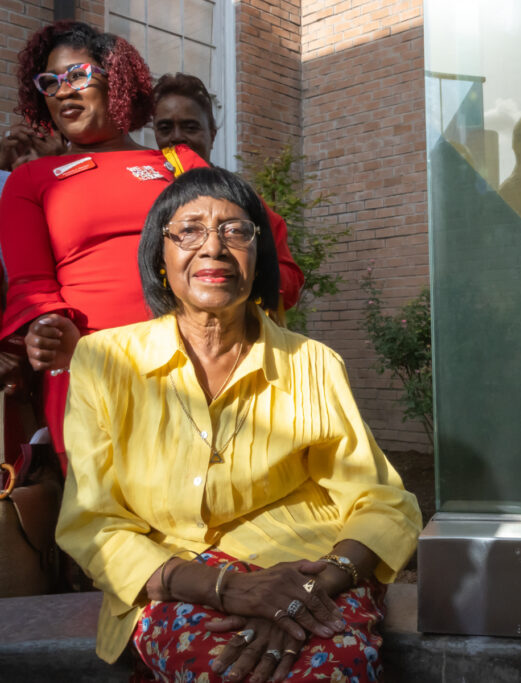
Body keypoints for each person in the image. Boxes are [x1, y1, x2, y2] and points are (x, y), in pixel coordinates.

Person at [56, 166, 422, 682]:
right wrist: (230, 590)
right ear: (159, 258)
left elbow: (383, 501)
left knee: (331, 668)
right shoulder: (105, 360)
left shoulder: (312, 362)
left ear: (258, 258)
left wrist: (313, 589)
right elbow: (91, 521)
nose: (214, 247)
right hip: (179, 580)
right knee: (223, 671)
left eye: (236, 230)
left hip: (310, 573)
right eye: (189, 230)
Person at [0, 22, 298, 466]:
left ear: (117, 81)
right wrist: (45, 325)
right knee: (107, 522)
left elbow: (268, 243)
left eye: (78, 75)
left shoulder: (176, 162)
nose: (63, 92)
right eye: (51, 82)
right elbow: (31, 283)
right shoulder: (31, 179)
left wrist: (249, 308)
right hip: (91, 368)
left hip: (197, 366)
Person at [152, 72, 304, 309]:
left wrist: (240, 273)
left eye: (190, 127)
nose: (177, 137)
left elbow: (290, 284)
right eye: (165, 128)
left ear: (212, 135)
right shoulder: (144, 193)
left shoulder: (242, 200)